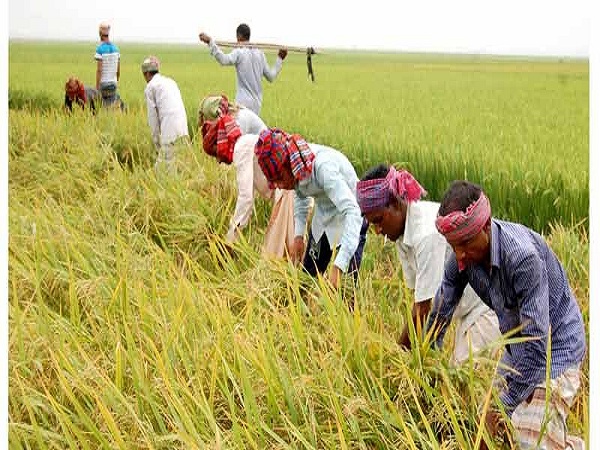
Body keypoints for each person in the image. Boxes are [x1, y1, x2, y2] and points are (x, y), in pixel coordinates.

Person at [425, 180, 586, 450]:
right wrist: (427, 360)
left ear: (486, 226)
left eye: (465, 243)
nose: (459, 254)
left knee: (528, 441)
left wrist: (502, 406)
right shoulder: (462, 259)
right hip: (517, 346)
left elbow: (537, 348)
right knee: (497, 433)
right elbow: (441, 310)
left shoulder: (522, 258)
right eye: (453, 246)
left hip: (555, 347)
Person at [356, 165, 501, 364]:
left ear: (396, 203)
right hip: (466, 309)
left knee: (463, 374)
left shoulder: (426, 234)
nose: (378, 230)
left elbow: (423, 309)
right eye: (373, 224)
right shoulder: (401, 236)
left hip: (487, 304)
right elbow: (418, 298)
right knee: (451, 371)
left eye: (379, 220)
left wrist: (397, 356)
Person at [254, 128, 368, 290]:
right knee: (307, 280)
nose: (278, 186)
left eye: (279, 179)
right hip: (323, 220)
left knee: (345, 290)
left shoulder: (323, 168)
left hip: (350, 220)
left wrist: (339, 266)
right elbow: (301, 196)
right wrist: (298, 236)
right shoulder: (297, 166)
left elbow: (353, 211)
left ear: (289, 165)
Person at [198, 94, 295, 258]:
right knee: (287, 250)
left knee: (279, 253)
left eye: (216, 152)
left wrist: (230, 239)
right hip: (286, 185)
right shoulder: (242, 140)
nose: (219, 159)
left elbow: (246, 197)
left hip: (288, 187)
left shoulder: (241, 145)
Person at [198, 23, 288, 115]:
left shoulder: (239, 52)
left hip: (242, 103)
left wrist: (210, 42)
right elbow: (271, 77)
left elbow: (224, 60)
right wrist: (280, 58)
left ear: (239, 36)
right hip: (257, 105)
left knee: (235, 123)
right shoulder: (260, 53)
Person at [141, 56, 189, 173]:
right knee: (179, 165)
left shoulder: (150, 87)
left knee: (162, 171)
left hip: (169, 131)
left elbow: (153, 121)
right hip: (183, 128)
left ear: (146, 74)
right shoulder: (171, 82)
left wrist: (157, 145)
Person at [95, 22, 123, 109]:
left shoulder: (100, 49)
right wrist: (115, 81)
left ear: (100, 34)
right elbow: (118, 71)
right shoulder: (116, 49)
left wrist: (97, 88)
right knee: (112, 107)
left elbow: (99, 70)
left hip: (103, 84)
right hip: (113, 83)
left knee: (101, 108)